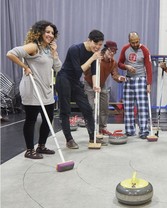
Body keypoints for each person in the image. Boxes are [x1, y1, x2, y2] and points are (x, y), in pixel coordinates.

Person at [6, 20, 62, 159]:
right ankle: (29, 150)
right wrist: (25, 67)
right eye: (47, 32)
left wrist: (55, 53)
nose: (50, 35)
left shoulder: (49, 50)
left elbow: (58, 68)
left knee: (48, 119)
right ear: (40, 32)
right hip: (32, 88)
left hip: (45, 89)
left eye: (52, 33)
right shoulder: (33, 46)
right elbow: (11, 53)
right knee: (31, 120)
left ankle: (41, 146)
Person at [55, 29, 104, 149]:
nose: (98, 47)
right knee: (65, 110)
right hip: (64, 79)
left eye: (100, 45)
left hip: (75, 81)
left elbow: (93, 72)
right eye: (96, 44)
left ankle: (92, 137)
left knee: (87, 108)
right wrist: (93, 58)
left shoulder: (93, 53)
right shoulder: (75, 49)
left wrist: (95, 85)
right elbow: (79, 70)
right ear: (89, 40)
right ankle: (69, 139)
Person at [83, 40, 126, 135]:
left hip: (102, 85)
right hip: (90, 84)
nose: (112, 53)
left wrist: (119, 78)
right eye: (110, 51)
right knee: (91, 108)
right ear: (105, 49)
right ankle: (92, 129)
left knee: (104, 107)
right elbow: (85, 70)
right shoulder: (96, 57)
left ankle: (102, 128)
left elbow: (115, 75)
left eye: (114, 52)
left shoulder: (113, 63)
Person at [118, 32, 152, 139]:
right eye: (133, 42)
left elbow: (148, 67)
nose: (136, 44)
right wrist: (127, 67)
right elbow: (119, 63)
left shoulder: (144, 50)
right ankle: (129, 130)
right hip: (129, 79)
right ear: (129, 42)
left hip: (141, 79)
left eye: (137, 41)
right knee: (128, 106)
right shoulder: (125, 49)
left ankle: (144, 131)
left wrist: (149, 83)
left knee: (142, 107)